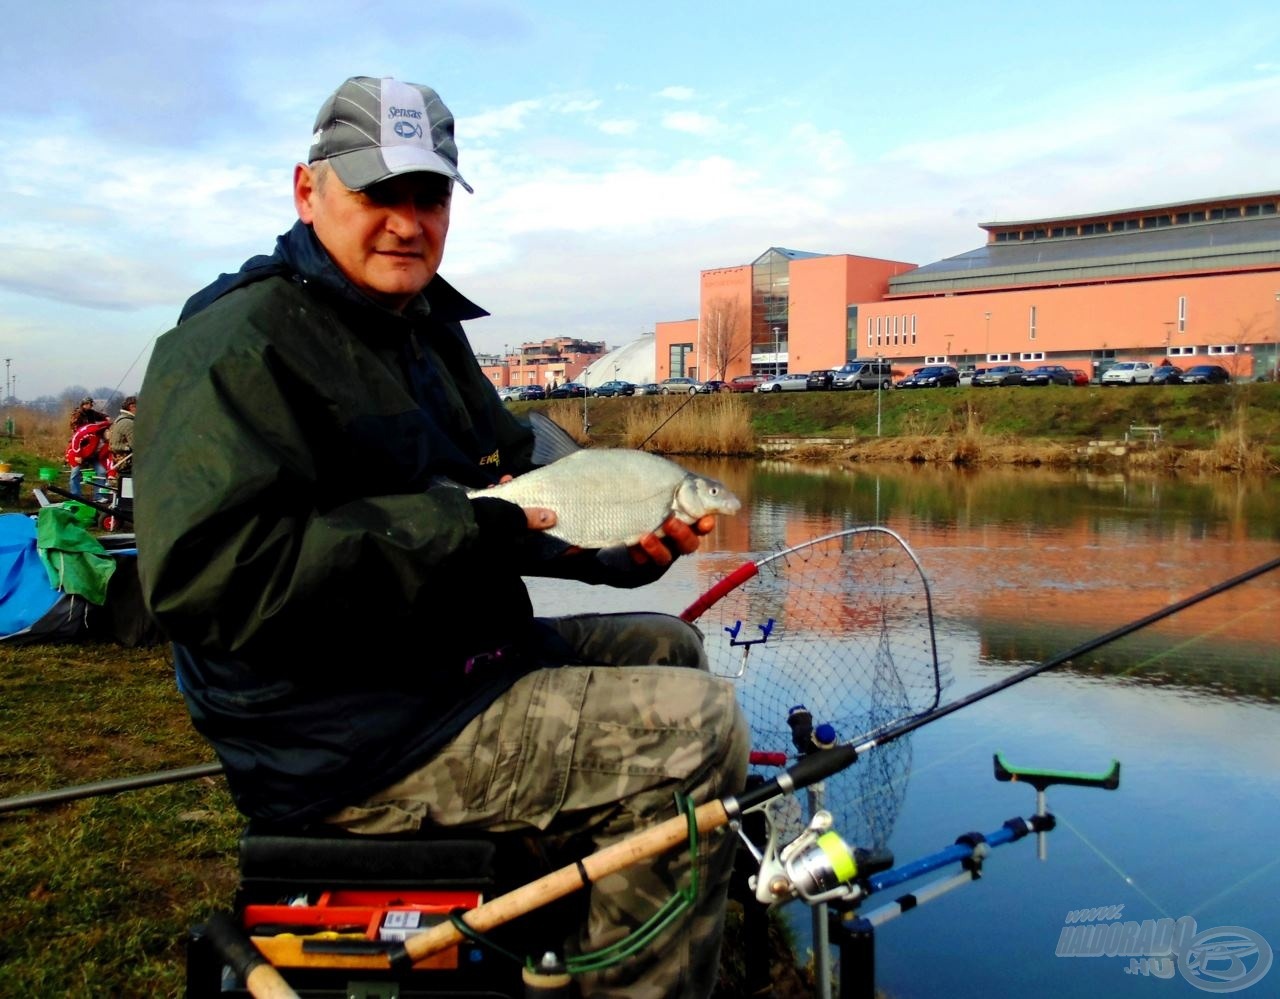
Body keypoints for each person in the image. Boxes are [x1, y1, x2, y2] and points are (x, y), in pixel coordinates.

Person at [134, 76, 748, 998]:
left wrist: (608, 552)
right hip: (346, 731)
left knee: (672, 642)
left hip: (446, 663)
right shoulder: (232, 346)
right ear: (309, 192)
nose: (406, 223)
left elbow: (514, 499)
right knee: (699, 732)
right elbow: (207, 578)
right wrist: (459, 524)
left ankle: (572, 898)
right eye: (379, 193)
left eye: (428, 197)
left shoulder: (425, 331)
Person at [67, 395, 110, 499]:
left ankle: (99, 496)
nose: (89, 406)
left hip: (92, 444)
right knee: (75, 473)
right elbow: (75, 434)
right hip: (80, 445)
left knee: (101, 471)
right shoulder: (77, 414)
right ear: (83, 404)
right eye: (88, 404)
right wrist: (78, 454)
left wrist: (106, 417)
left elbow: (101, 416)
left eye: (91, 404)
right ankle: (75, 496)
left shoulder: (92, 413)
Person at [106, 396, 137, 478]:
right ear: (132, 407)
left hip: (119, 461)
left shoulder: (119, 419)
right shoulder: (128, 423)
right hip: (127, 464)